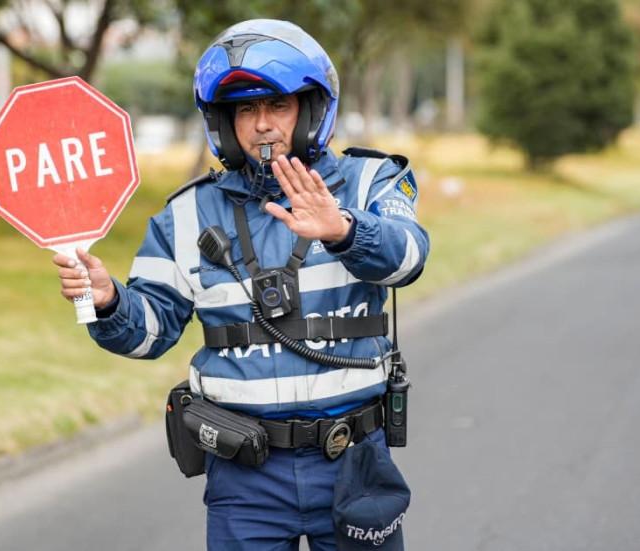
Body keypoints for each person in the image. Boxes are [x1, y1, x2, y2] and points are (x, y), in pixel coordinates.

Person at [54, 19, 429, 550]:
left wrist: (345, 230)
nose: (262, 125)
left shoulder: (371, 182)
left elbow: (410, 258)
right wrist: (109, 302)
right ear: (224, 123)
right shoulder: (184, 216)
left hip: (354, 461)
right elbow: (149, 333)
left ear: (311, 109)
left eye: (276, 105)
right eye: (245, 110)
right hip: (245, 472)